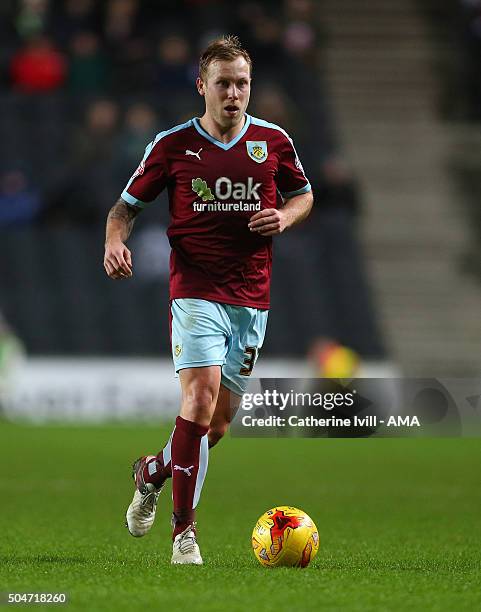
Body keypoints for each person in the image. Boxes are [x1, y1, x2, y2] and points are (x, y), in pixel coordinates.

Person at [103, 35, 313, 565]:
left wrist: (284, 217)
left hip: (251, 297)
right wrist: (113, 241)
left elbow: (303, 194)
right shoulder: (172, 145)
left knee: (214, 427)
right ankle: (184, 535)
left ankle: (151, 471)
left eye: (242, 83)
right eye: (224, 83)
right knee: (197, 400)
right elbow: (123, 209)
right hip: (195, 290)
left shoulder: (273, 142)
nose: (234, 93)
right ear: (202, 87)